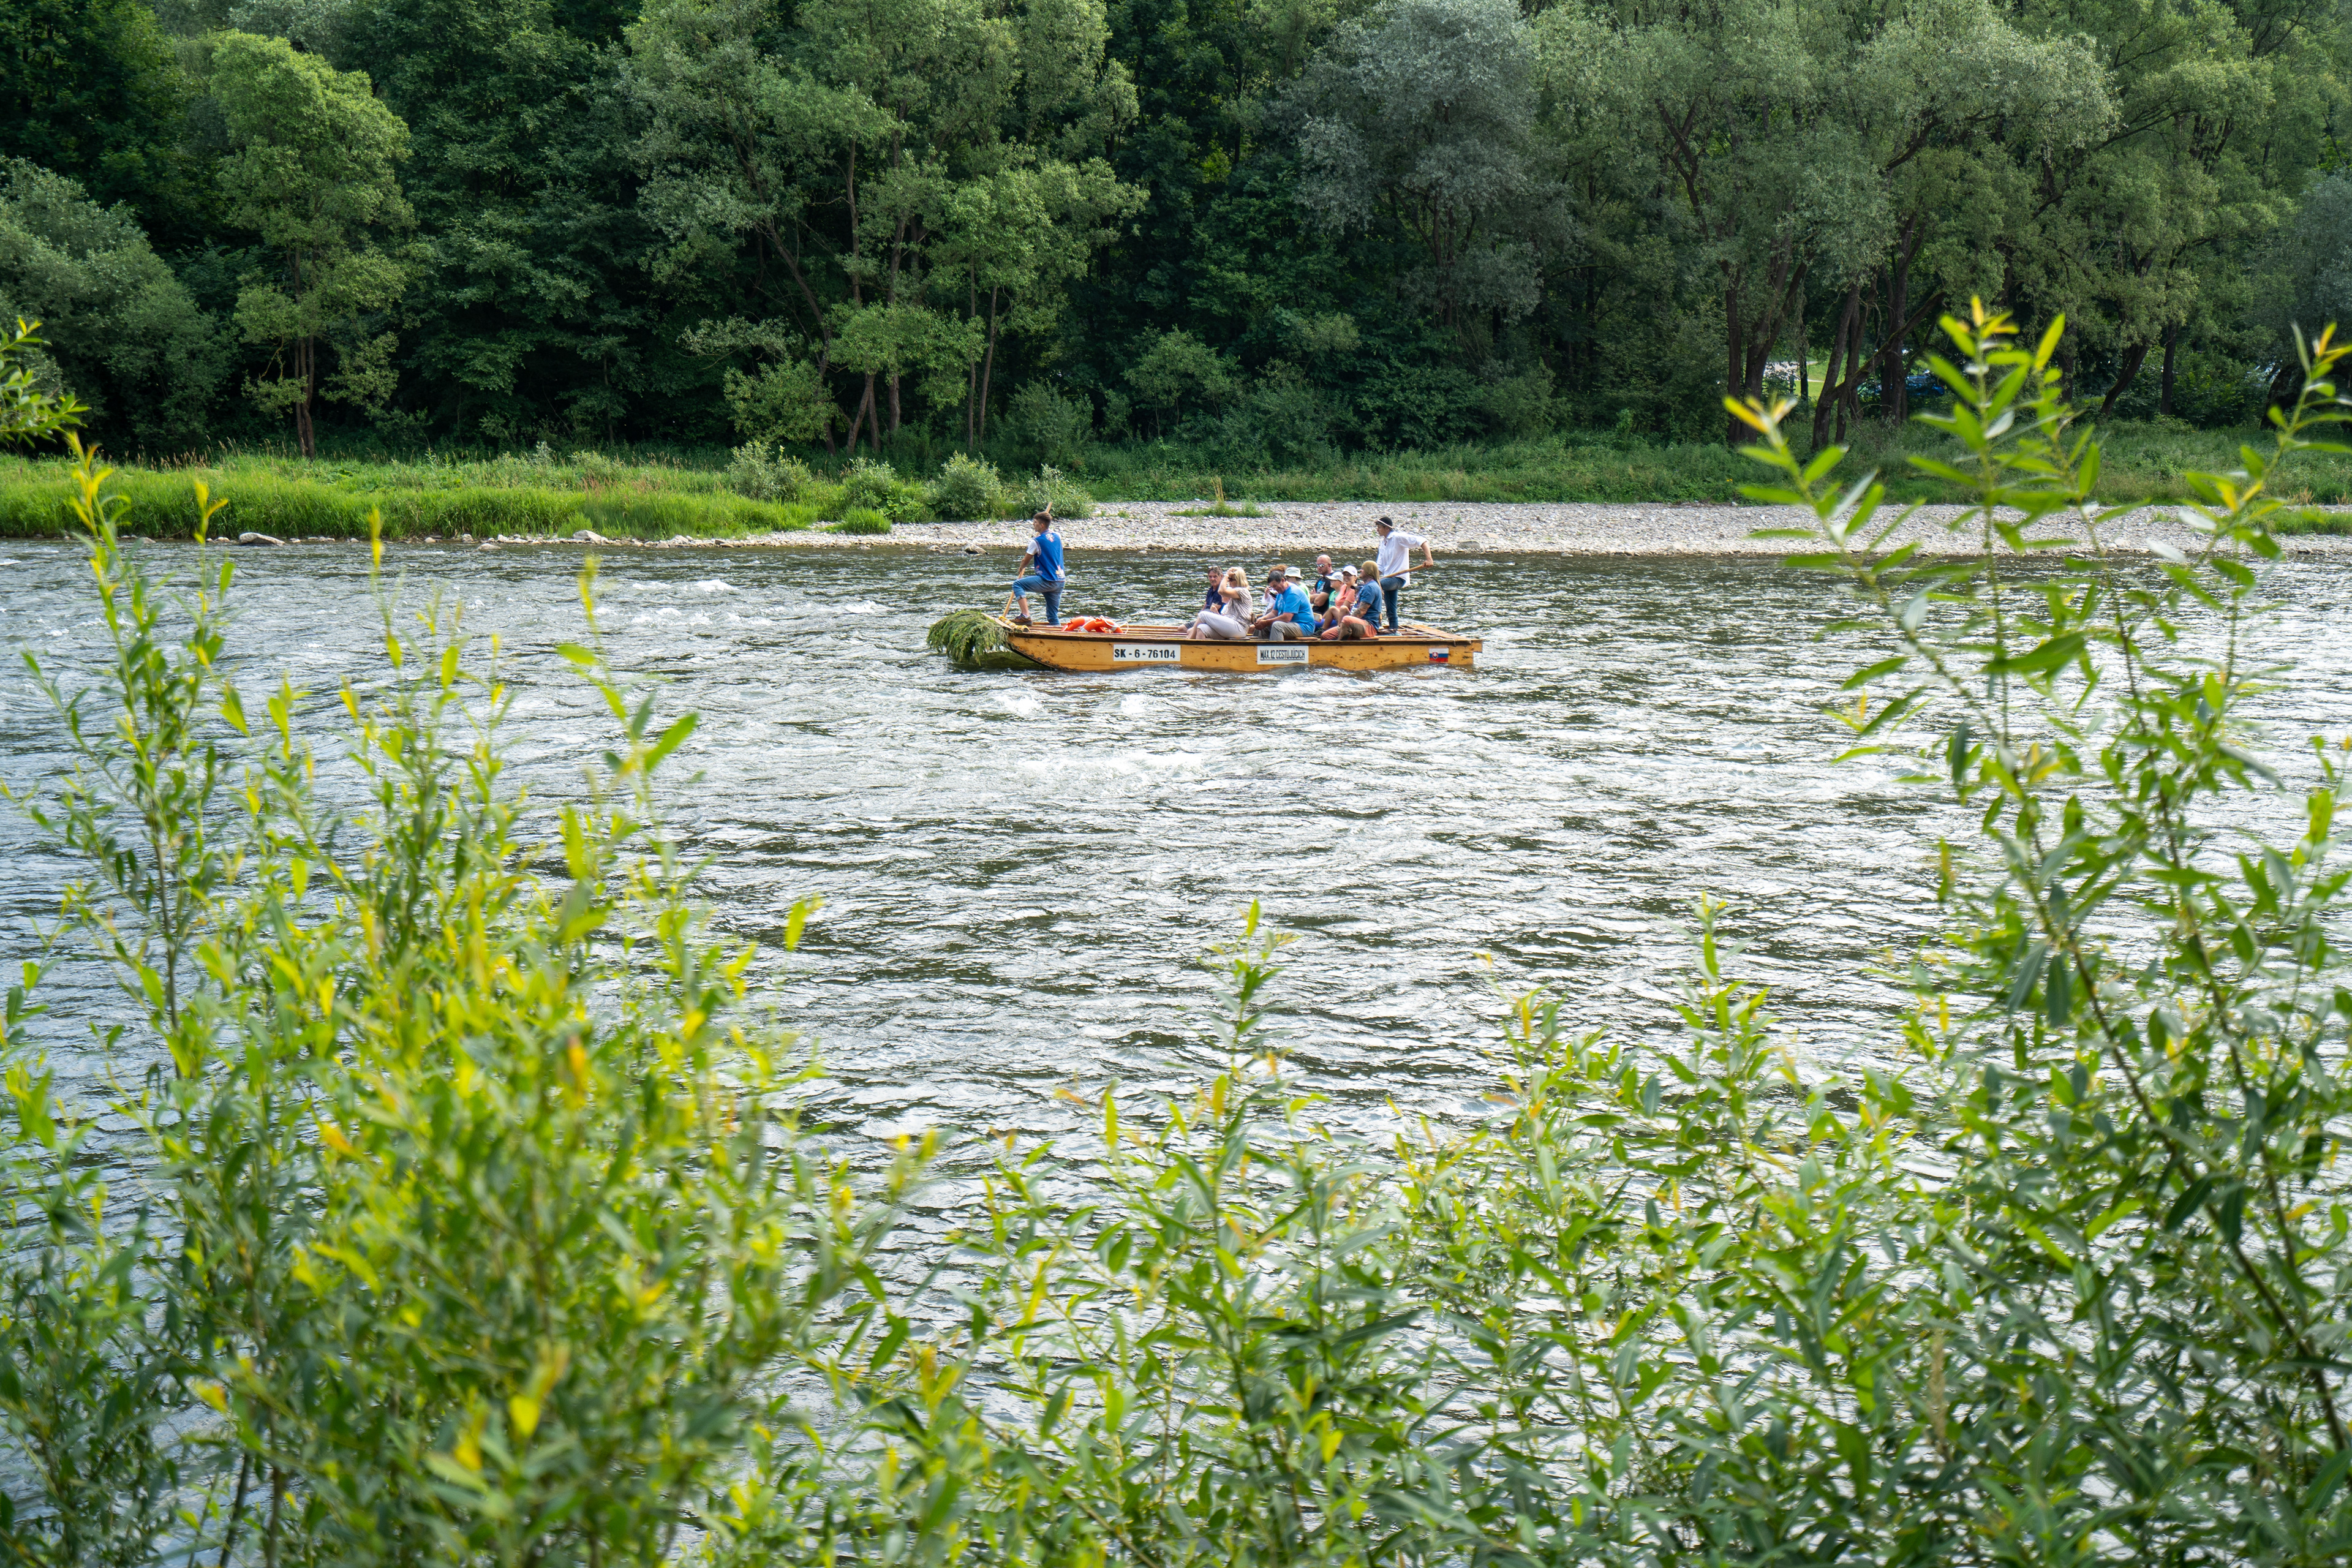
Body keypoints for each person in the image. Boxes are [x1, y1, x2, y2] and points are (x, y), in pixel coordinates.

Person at [1371, 516, 1434, 633]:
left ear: (1386, 528)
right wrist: (1369, 577)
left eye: (1379, 527)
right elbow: (1380, 567)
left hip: (1398, 578)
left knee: (1374, 587)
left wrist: (1429, 559)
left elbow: (1422, 540)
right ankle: (1393, 629)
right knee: (1391, 607)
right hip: (1388, 578)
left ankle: (1374, 622)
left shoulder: (1398, 538)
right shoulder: (1383, 543)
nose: (1377, 530)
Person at [1005, 511, 1066, 625]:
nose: (1034, 524)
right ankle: (1058, 635)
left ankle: (1025, 616)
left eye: (1036, 522)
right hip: (1060, 581)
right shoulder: (1058, 536)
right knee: (1053, 616)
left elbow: (1025, 561)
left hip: (1047, 580)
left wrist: (1021, 568)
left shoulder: (1036, 541)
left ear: (1042, 525)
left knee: (1018, 584)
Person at [1251, 564, 1316, 641]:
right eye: (1272, 587)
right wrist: (1263, 619)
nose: (1274, 589)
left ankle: (1276, 650)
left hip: (1304, 626)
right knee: (1261, 625)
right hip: (1291, 624)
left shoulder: (1293, 593)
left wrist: (1266, 622)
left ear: (1283, 580)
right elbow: (1274, 613)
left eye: (1275, 586)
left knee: (1277, 626)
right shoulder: (1280, 593)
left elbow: (1286, 618)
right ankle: (1258, 648)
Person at [1190, 567, 1253, 639]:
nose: (1229, 581)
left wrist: (1226, 575)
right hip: (1233, 627)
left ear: (1238, 580)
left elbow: (1221, 591)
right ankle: (1201, 650)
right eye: (1229, 579)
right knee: (1201, 628)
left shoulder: (1242, 591)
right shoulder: (1236, 592)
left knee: (1203, 615)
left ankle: (1187, 643)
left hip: (1240, 627)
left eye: (1231, 579)